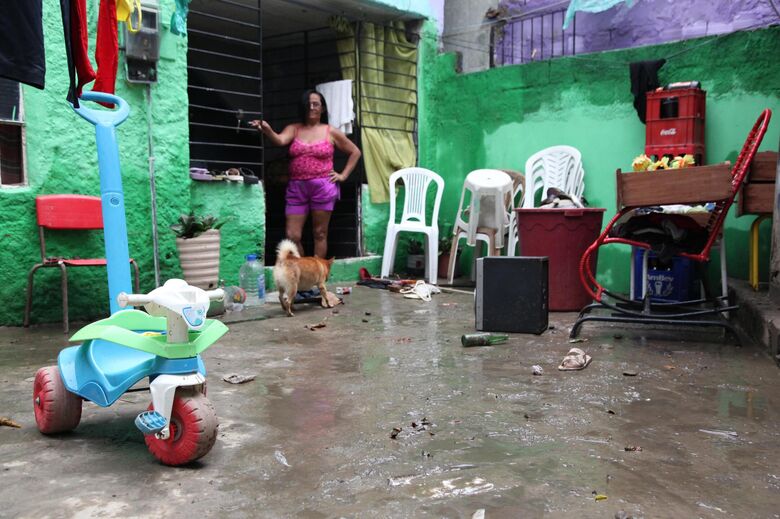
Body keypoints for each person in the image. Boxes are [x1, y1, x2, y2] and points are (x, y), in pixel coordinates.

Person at [250, 90, 361, 258]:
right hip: (297, 187)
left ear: (322, 109)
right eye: (308, 103)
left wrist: (343, 175)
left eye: (316, 104)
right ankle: (303, 273)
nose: (311, 107)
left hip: (323, 187)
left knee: (320, 233)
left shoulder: (330, 131)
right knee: (293, 235)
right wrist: (267, 129)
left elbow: (355, 152)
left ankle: (317, 276)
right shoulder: (294, 129)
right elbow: (279, 140)